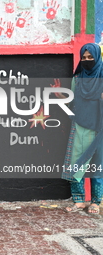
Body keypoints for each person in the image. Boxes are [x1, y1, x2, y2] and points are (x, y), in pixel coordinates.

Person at [55, 43, 103, 214]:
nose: (87, 60)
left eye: (91, 57)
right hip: (80, 127)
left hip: (100, 130)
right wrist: (61, 96)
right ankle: (79, 201)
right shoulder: (78, 79)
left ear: (97, 58)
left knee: (97, 167)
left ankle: (96, 202)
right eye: (84, 57)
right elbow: (72, 102)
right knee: (76, 165)